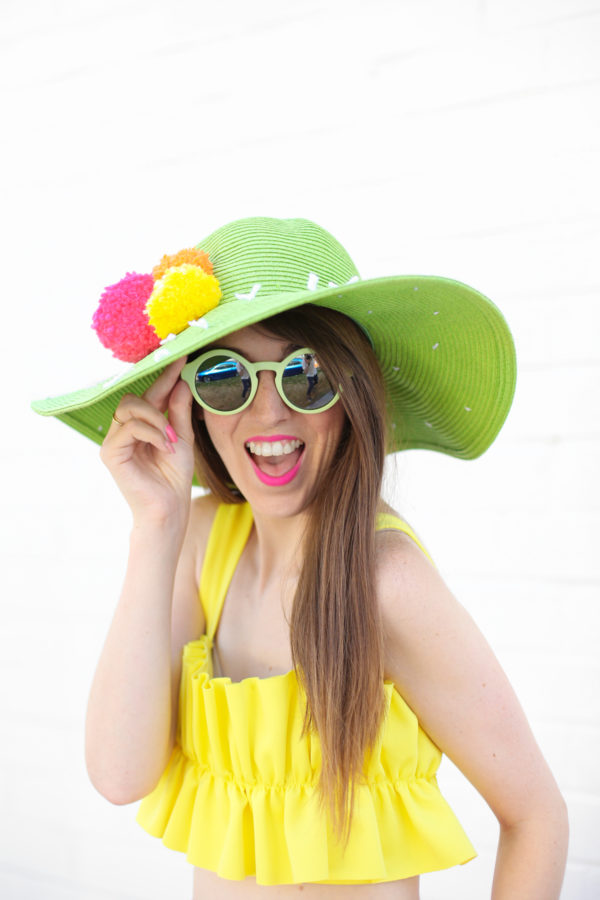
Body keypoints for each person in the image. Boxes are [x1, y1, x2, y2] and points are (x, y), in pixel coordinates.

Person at [32, 217, 568, 898]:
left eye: (304, 375)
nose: (268, 415)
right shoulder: (199, 545)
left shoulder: (385, 582)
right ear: (188, 405)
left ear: (352, 395)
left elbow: (537, 816)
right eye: (225, 377)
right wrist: (154, 525)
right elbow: (118, 774)